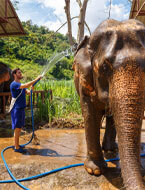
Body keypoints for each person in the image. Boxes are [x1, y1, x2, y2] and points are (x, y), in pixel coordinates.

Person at [10, 68, 42, 153]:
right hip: (16, 109)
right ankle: (16, 147)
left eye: (21, 72)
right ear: (14, 75)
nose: (21, 74)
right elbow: (25, 86)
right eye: (19, 73)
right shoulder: (14, 84)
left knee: (19, 128)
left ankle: (16, 145)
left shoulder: (20, 84)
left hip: (21, 108)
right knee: (17, 128)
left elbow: (28, 92)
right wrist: (36, 79)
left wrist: (33, 87)